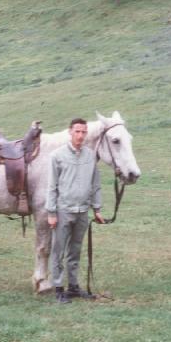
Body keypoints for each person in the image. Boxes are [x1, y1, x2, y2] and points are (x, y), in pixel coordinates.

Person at [45, 118, 105, 303]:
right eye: (77, 131)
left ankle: (73, 286)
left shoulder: (90, 156)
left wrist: (97, 209)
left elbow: (95, 185)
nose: (80, 135)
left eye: (83, 132)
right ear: (70, 132)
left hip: (82, 211)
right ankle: (58, 288)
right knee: (58, 251)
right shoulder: (57, 156)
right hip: (63, 210)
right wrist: (51, 213)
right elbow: (51, 186)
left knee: (75, 250)